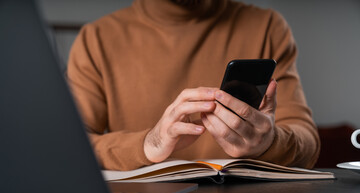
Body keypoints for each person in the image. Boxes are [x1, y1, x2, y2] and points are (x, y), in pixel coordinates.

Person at [67, 0, 320, 171]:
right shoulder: (96, 39)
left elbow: (307, 140)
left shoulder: (266, 27)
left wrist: (269, 142)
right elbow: (71, 147)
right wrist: (148, 144)